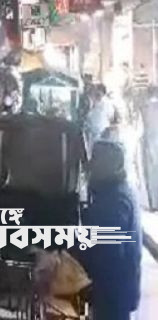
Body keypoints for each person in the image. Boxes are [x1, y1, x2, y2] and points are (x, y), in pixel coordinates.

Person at [79, 141, 141, 320]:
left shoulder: (115, 200)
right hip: (117, 290)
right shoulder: (117, 191)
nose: (90, 168)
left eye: (96, 162)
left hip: (112, 292)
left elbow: (108, 251)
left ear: (108, 165)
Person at [141, 87, 158, 211]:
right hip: (153, 141)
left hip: (149, 143)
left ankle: (153, 202)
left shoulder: (145, 107)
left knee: (151, 174)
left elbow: (144, 126)